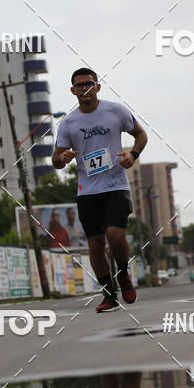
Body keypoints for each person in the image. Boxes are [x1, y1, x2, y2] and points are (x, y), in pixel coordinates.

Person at [52, 68, 148, 312]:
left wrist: (133, 154)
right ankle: (108, 294)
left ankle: (123, 274)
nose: (85, 89)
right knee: (95, 244)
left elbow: (141, 134)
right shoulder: (68, 123)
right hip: (87, 191)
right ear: (73, 91)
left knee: (115, 235)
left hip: (116, 185)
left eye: (89, 83)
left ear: (97, 86)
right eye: (80, 85)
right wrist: (63, 157)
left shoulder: (116, 111)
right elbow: (56, 159)